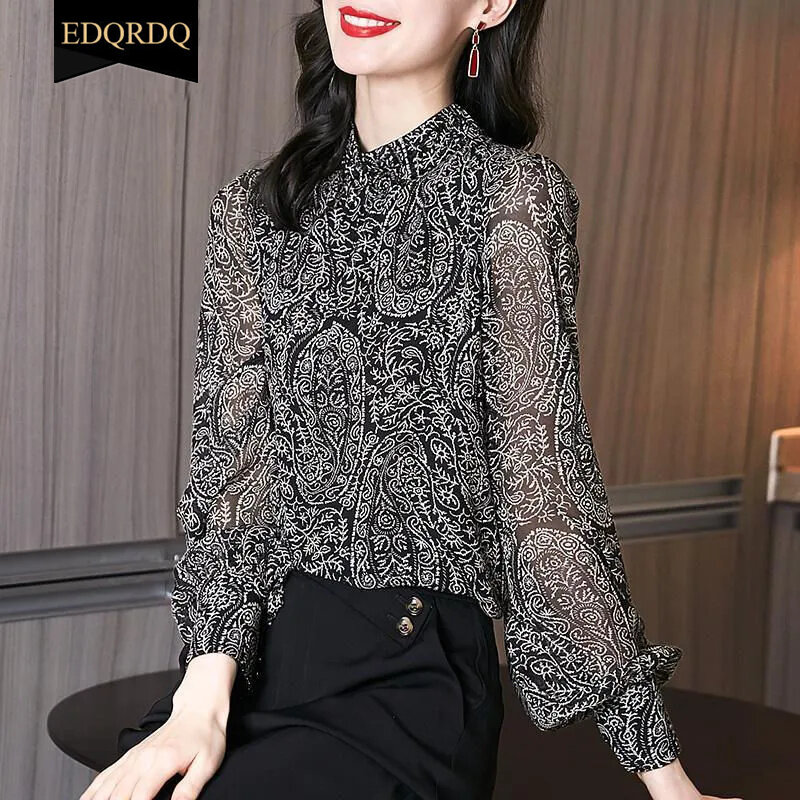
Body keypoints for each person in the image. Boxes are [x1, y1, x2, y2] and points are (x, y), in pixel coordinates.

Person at [80, 2, 744, 800]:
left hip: (409, 677)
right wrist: (200, 696)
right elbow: (230, 483)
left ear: (489, 6)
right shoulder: (256, 208)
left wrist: (665, 777)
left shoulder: (511, 199)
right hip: (256, 667)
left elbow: (542, 493)